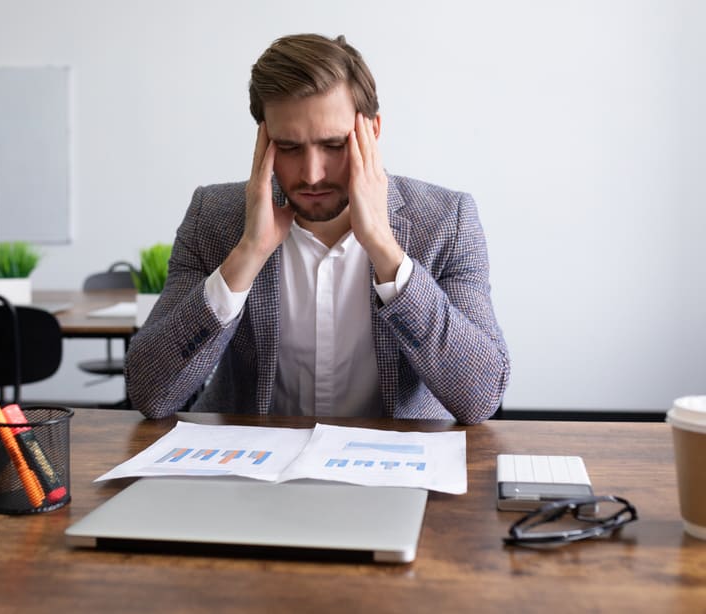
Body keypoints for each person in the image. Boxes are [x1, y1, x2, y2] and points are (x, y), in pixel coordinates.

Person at [125, 33, 509, 424]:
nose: (312, 174)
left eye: (333, 144)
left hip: (393, 466)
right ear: (263, 139)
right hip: (249, 468)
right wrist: (248, 253)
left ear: (372, 132)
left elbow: (480, 398)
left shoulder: (447, 221)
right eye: (289, 147)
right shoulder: (214, 217)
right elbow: (149, 394)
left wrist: (385, 252)